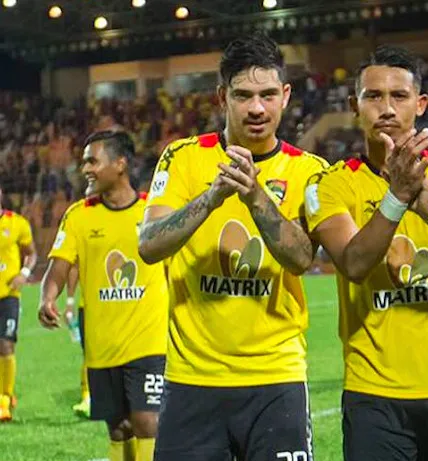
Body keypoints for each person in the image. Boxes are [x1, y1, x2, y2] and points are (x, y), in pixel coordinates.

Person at [138, 31, 328, 461]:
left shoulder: (309, 170)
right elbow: (149, 245)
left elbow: (301, 259)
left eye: (267, 95)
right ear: (222, 96)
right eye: (243, 95)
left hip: (275, 378)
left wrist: (256, 196)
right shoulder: (183, 157)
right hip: (193, 379)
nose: (257, 108)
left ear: (285, 95)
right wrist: (210, 198)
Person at [305, 45, 428, 461]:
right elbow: (354, 264)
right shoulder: (332, 184)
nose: (387, 108)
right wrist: (397, 198)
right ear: (355, 106)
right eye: (373, 96)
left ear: (421, 104)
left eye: (399, 96)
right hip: (374, 392)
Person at [39, 130, 169, 461]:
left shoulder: (153, 211)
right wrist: (48, 297)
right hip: (102, 347)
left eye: (92, 161)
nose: (85, 169)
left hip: (150, 343)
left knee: (147, 421)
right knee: (119, 429)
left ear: (120, 164)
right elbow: (58, 266)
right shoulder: (79, 215)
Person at [0, 187, 37, 422]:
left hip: (8, 295)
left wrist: (24, 273)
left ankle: (4, 398)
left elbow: (31, 254)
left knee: (5, 344)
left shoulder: (17, 223)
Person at [61, 264, 90, 418]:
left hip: (125, 305)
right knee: (90, 353)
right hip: (90, 305)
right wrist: (70, 301)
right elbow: (75, 267)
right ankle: (87, 398)